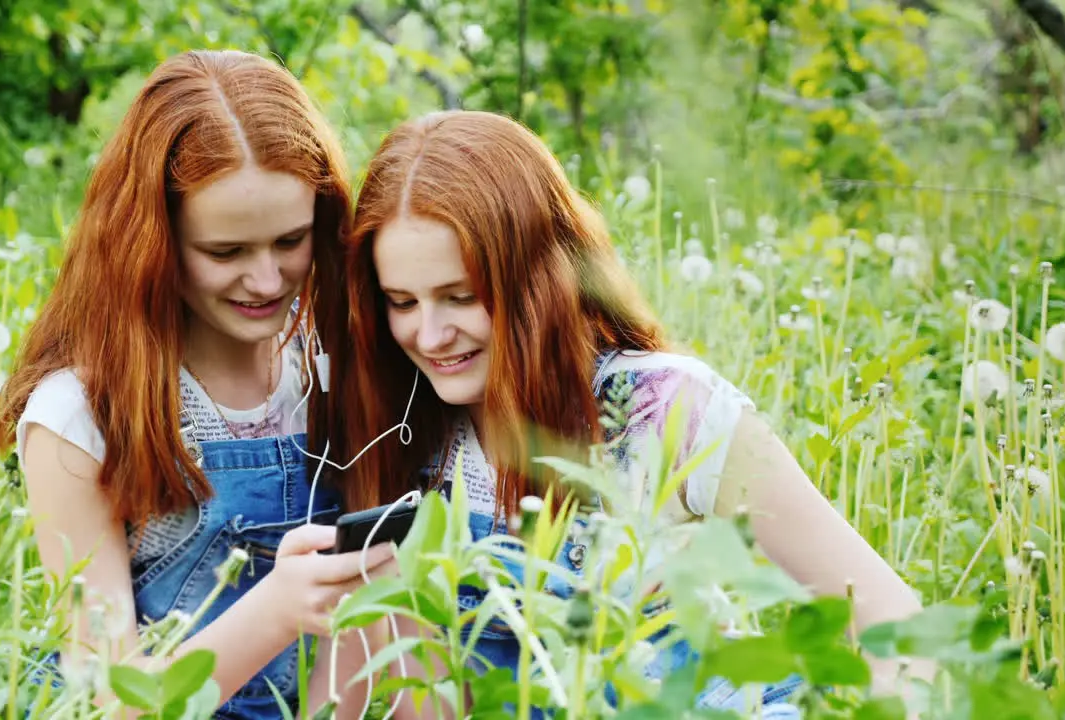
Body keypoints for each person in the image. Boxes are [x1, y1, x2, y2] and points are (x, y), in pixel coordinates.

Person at [332, 110, 930, 716]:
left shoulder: (668, 408)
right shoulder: (400, 439)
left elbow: (888, 619)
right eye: (401, 302)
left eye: (462, 297)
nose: (430, 335)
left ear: (540, 283)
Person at [0, 50, 390, 719]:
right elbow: (103, 700)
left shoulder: (334, 367)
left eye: (290, 241)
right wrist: (276, 611)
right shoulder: (80, 414)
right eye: (225, 252)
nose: (266, 282)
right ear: (150, 242)